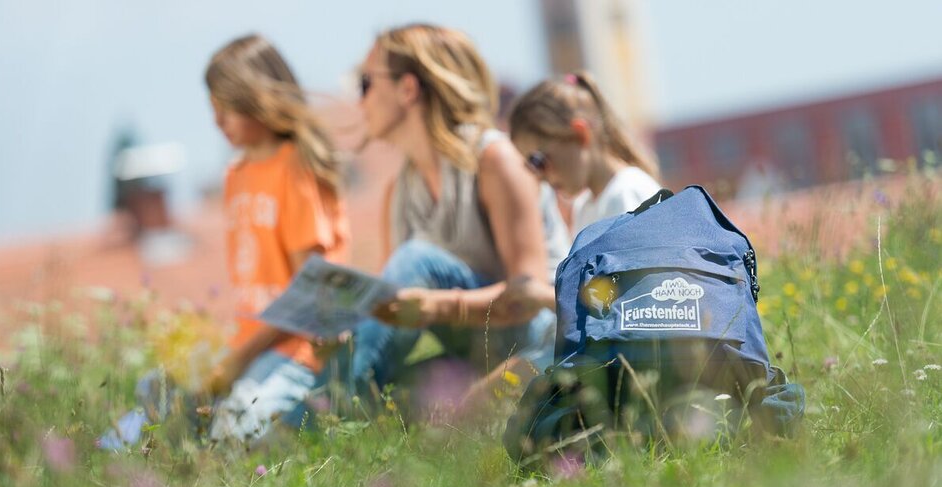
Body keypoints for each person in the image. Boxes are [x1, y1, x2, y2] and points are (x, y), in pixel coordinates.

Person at [101, 34, 350, 447]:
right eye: (212, 108)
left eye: (226, 107)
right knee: (154, 388)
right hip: (246, 344)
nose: (217, 121)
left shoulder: (296, 169)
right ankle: (116, 456)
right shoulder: (235, 177)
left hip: (297, 351)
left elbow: (312, 291)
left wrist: (238, 360)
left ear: (260, 99)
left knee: (236, 430)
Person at [349, 24, 561, 402]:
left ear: (408, 89)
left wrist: (439, 305)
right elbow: (395, 319)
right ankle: (336, 409)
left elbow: (530, 297)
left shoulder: (495, 160)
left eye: (365, 83)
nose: (358, 100)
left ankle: (348, 404)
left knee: (414, 260)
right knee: (398, 394)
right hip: (469, 349)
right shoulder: (398, 192)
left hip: (536, 338)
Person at [508, 72, 661, 236]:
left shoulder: (626, 193)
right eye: (531, 166)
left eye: (539, 160)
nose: (540, 175)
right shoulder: (584, 208)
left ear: (581, 135)